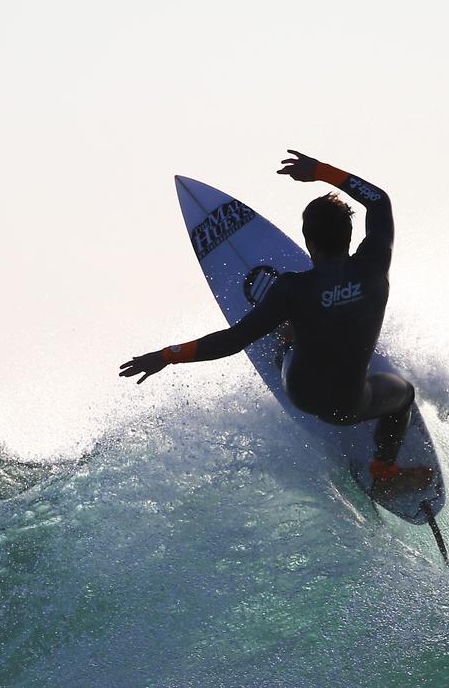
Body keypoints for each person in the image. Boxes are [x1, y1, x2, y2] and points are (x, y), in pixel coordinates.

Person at [120, 150, 432, 495]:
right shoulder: (374, 265)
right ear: (349, 234)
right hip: (349, 405)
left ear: (308, 242)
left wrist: (166, 355)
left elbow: (232, 340)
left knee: (292, 331)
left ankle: (286, 341)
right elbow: (378, 201)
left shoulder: (292, 290)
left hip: (299, 390)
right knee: (404, 394)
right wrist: (321, 171)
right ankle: (385, 469)